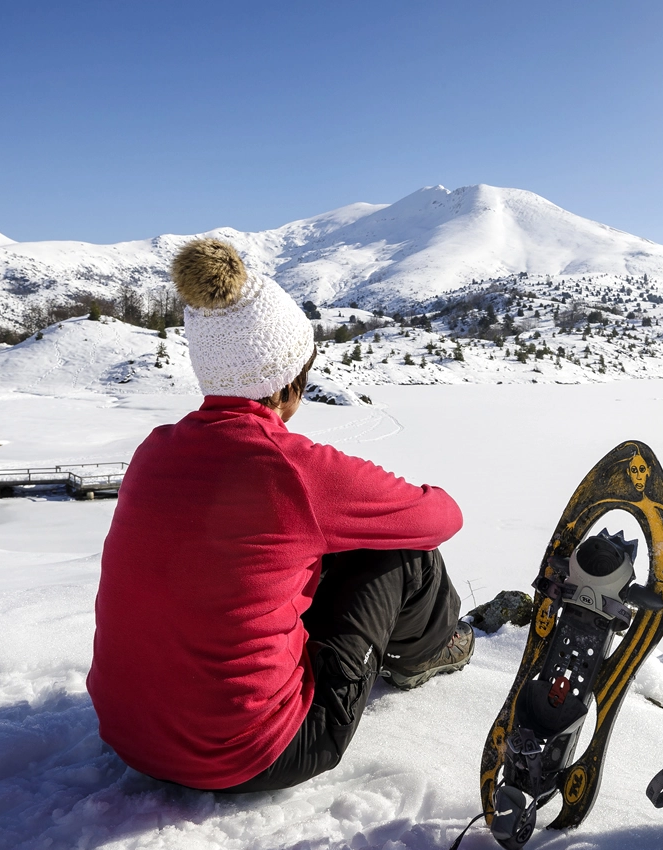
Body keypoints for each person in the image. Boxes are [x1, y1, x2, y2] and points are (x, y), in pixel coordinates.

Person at [88, 239, 473, 793]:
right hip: (256, 753)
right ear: (291, 382)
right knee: (405, 552)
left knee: (297, 554)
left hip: (128, 736)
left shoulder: (155, 450)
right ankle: (428, 654)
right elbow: (440, 516)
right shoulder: (295, 470)